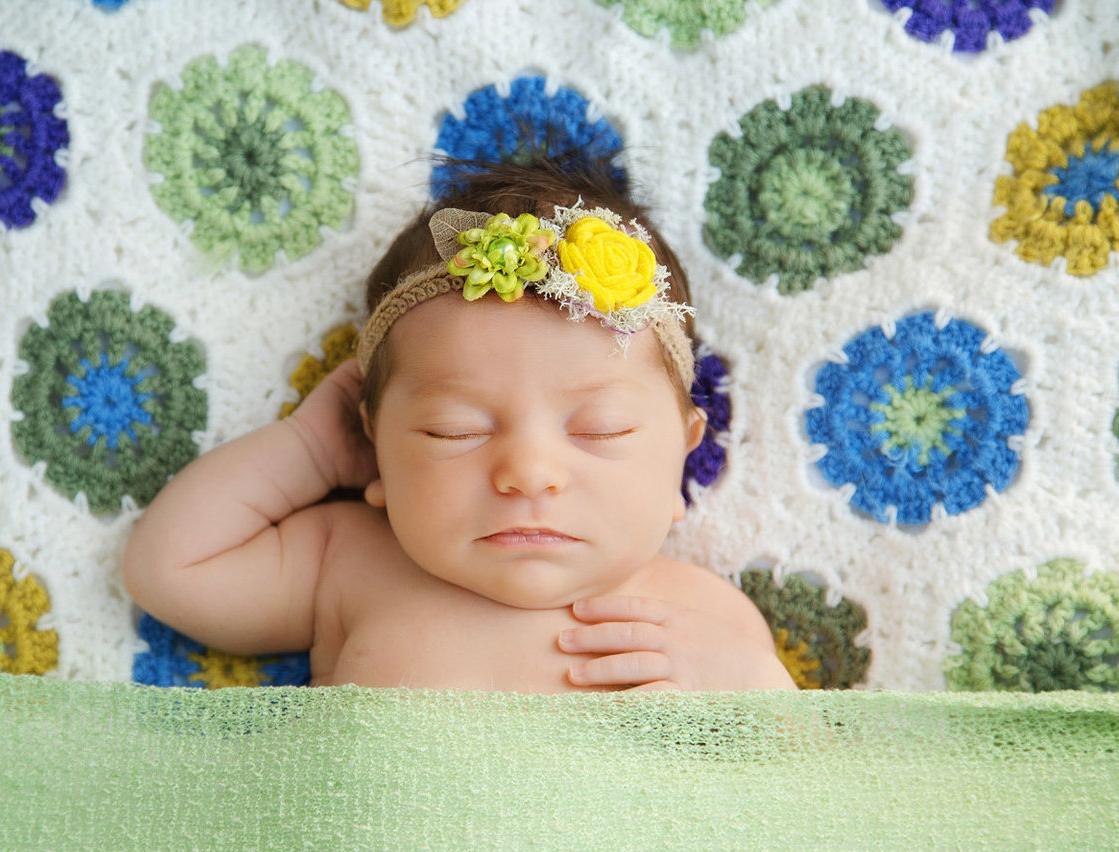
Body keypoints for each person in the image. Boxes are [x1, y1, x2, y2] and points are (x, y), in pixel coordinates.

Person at [123, 157, 797, 693]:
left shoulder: (701, 619)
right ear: (377, 443)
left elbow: (804, 805)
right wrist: (308, 451)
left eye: (602, 429)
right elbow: (169, 570)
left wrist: (760, 691)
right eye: (453, 430)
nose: (529, 471)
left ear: (681, 454)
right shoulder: (349, 564)